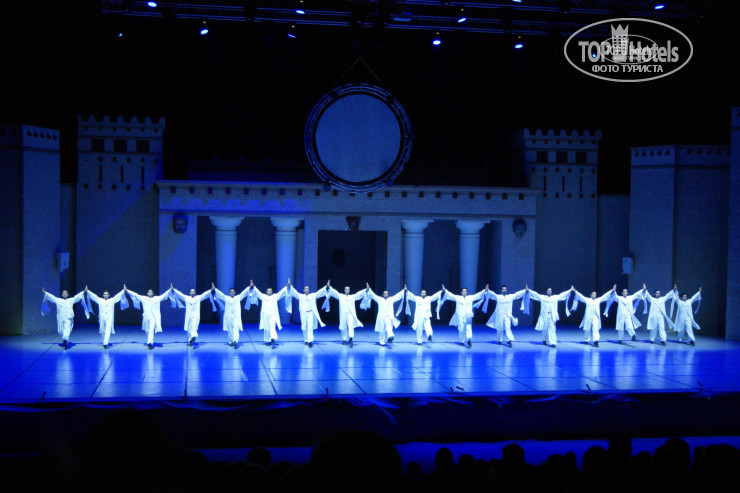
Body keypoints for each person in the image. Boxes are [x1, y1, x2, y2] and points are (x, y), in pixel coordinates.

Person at [125, 285, 172, 349]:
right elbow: (135, 295)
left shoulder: (156, 298)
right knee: (147, 330)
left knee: (151, 329)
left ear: (153, 293)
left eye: (151, 292)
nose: (150, 293)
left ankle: (150, 343)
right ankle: (149, 341)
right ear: (147, 293)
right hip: (146, 317)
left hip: (153, 317)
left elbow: (164, 295)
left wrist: (169, 289)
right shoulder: (143, 298)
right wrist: (127, 290)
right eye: (149, 292)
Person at [287, 281, 330, 348]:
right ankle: (306, 340)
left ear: (309, 290)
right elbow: (294, 292)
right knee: (304, 327)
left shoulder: (312, 295)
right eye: (305, 289)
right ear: (303, 290)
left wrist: (326, 286)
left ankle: (310, 341)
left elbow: (319, 292)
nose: (307, 290)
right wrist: (289, 286)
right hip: (303, 313)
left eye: (308, 289)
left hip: (310, 313)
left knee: (310, 327)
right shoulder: (301, 296)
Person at [248, 279, 289, 348]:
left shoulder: (275, 296)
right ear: (266, 292)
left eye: (270, 291)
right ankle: (267, 340)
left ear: (272, 292)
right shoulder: (263, 296)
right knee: (267, 328)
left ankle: (272, 338)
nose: (269, 292)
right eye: (268, 291)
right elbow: (257, 292)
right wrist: (253, 285)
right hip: (265, 315)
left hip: (273, 315)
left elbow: (281, 292)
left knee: (272, 327)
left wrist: (286, 286)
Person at [212, 283, 250, 348]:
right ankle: (231, 341)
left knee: (236, 328)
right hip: (229, 317)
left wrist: (249, 287)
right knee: (230, 330)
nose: (232, 292)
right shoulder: (227, 298)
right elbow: (221, 294)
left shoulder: (238, 297)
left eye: (233, 291)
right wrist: (215, 289)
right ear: (229, 292)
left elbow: (243, 293)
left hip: (236, 317)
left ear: (235, 292)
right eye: (231, 291)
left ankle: (235, 341)